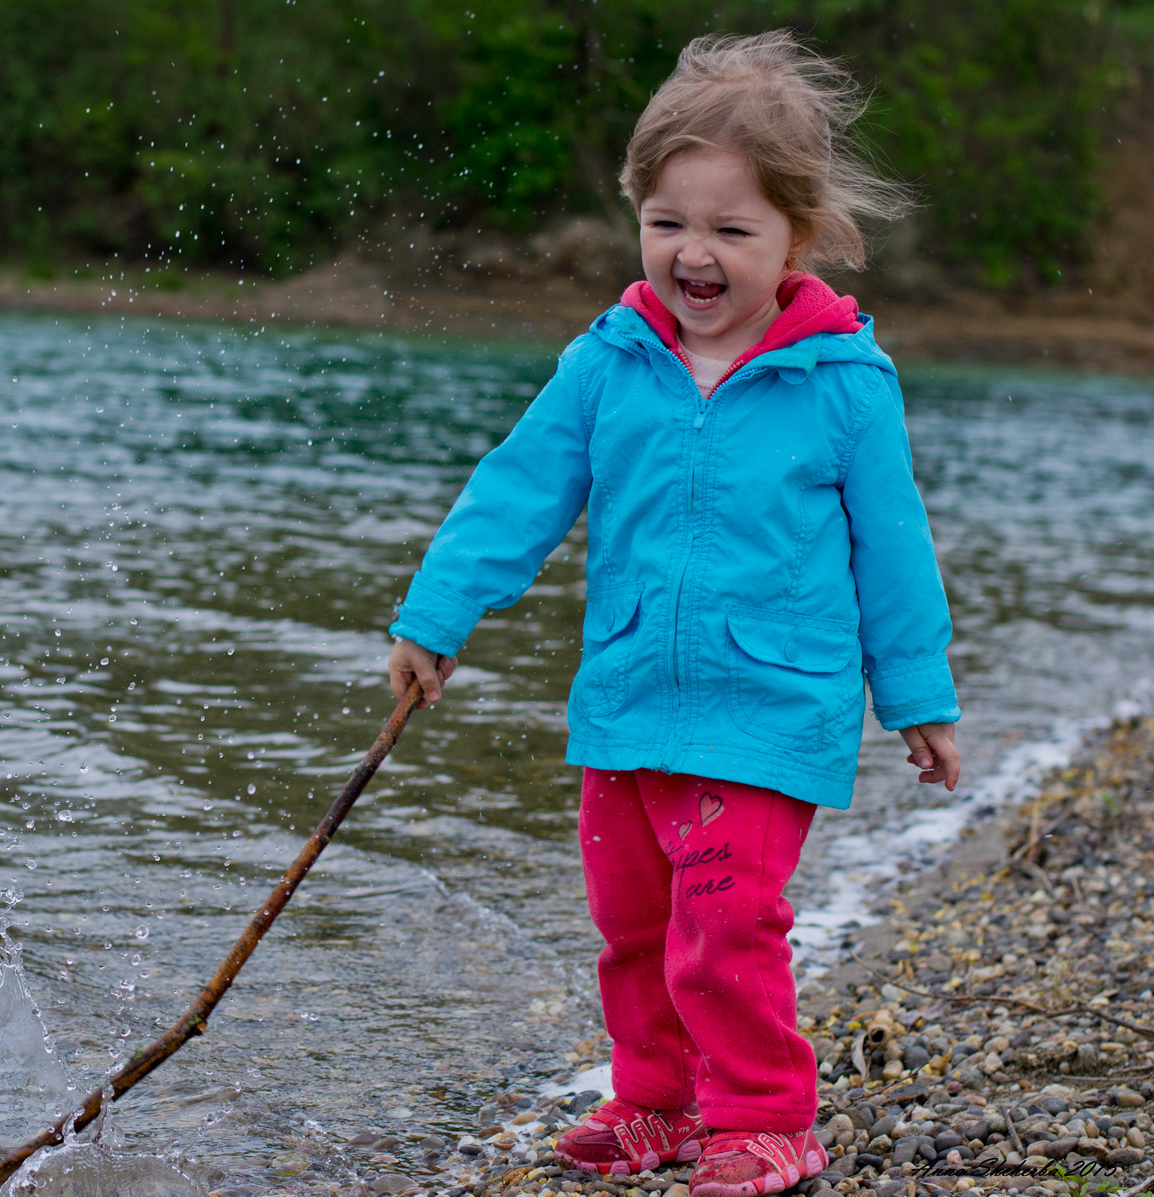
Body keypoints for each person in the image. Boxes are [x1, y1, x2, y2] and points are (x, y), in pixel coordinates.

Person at [385, 31, 962, 1197]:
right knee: (637, 928)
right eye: (668, 222)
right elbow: (518, 491)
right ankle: (657, 1101)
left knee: (723, 922)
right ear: (637, 213)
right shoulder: (610, 361)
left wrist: (918, 700)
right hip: (629, 693)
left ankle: (765, 1118)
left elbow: (893, 555)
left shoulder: (842, 381)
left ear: (798, 237)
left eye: (730, 231)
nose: (693, 253)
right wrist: (437, 615)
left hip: (769, 706)